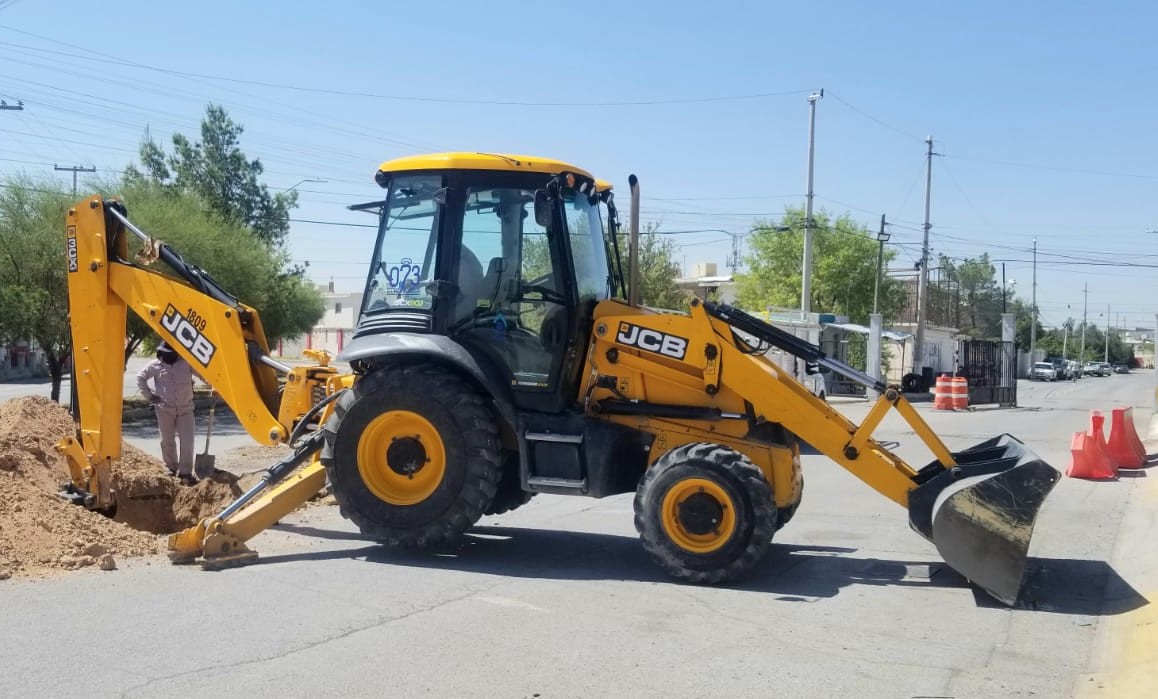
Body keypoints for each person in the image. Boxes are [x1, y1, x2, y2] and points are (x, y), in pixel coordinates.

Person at [136, 341, 201, 485]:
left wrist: (214, 386)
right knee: (167, 440)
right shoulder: (155, 366)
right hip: (164, 409)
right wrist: (150, 396)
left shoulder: (186, 363)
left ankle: (185, 472)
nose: (168, 356)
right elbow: (140, 378)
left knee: (187, 441)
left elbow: (203, 374)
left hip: (185, 409)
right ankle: (171, 467)